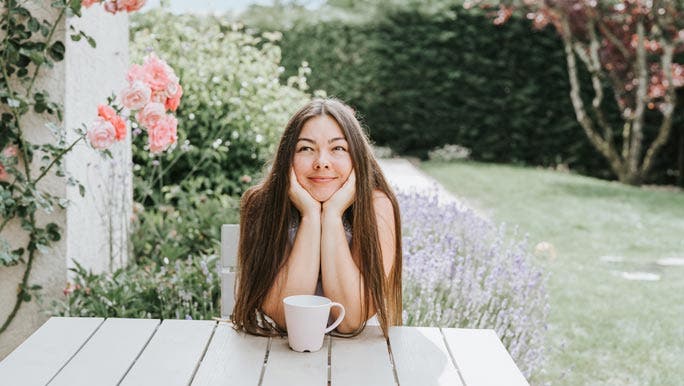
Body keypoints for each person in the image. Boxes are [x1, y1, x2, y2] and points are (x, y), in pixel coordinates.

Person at [231, 98, 402, 338]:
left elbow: (351, 320)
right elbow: (286, 319)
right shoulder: (262, 205)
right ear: (287, 158)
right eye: (306, 149)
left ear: (357, 158)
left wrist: (332, 215)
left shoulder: (377, 207)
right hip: (277, 357)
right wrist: (311, 216)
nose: (322, 162)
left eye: (338, 149)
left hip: (360, 359)